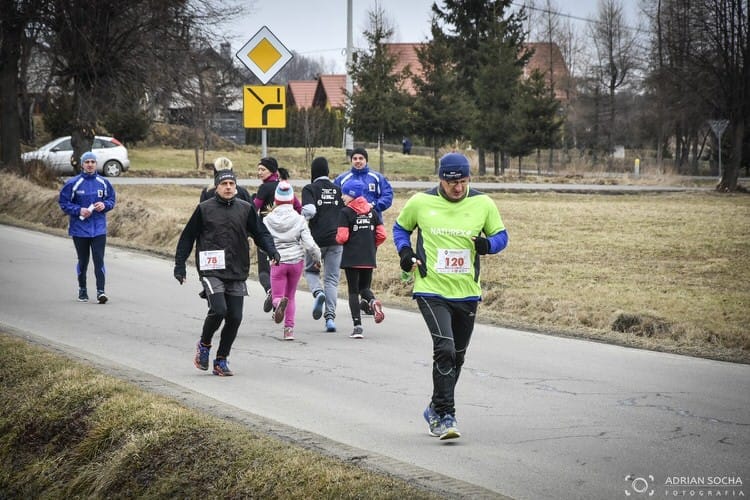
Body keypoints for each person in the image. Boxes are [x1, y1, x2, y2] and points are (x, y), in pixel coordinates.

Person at [392, 152, 508, 440]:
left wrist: (487, 245)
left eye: (463, 181)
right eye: (451, 182)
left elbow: (501, 236)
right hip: (431, 289)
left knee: (457, 356)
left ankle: (435, 406)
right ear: (441, 179)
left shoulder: (483, 203)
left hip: (467, 292)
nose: (457, 188)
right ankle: (445, 416)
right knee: (444, 348)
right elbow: (400, 228)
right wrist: (406, 253)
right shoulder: (421, 202)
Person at [174, 169, 280, 376]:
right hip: (211, 268)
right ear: (217, 187)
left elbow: (260, 233)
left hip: (237, 268)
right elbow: (187, 237)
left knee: (236, 317)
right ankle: (204, 345)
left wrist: (272, 250)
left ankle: (221, 360)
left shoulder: (245, 208)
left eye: (232, 184)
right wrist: (180, 265)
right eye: (224, 184)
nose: (229, 187)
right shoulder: (204, 209)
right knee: (220, 309)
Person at [333, 146, 393, 316]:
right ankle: (367, 299)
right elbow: (337, 199)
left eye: (361, 158)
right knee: (356, 264)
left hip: (371, 228)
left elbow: (388, 196)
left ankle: (365, 300)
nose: (358, 161)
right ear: (351, 160)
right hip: (350, 229)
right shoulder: (342, 179)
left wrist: (374, 206)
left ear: (366, 160)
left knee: (366, 263)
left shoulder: (376, 177)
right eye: (355, 158)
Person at [262, 181, 321, 340]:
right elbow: (310, 244)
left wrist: (268, 253)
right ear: (291, 200)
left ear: (276, 200)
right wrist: (317, 259)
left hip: (277, 261)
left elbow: (263, 241)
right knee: (291, 296)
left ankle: (278, 304)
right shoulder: (299, 219)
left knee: (277, 295)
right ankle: (289, 330)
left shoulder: (268, 220)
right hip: (296, 261)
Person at [58, 151, 116, 304]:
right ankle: (82, 290)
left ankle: (101, 292)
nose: (90, 164)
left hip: (98, 229)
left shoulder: (104, 182)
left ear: (96, 164)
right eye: (87, 162)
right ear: (82, 164)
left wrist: (104, 205)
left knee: (99, 260)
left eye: (92, 162)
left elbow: (111, 200)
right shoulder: (73, 183)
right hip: (80, 230)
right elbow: (64, 203)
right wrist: (78, 210)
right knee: (83, 261)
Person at [336, 179, 387, 338]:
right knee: (365, 288)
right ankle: (372, 302)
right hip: (368, 256)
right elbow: (382, 235)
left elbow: (342, 237)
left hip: (352, 257)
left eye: (344, 193)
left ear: (351, 195)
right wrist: (371, 245)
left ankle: (357, 326)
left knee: (353, 291)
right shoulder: (372, 212)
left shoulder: (346, 212)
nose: (342, 196)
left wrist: (337, 239)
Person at [253, 157, 301, 315]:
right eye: (258, 169)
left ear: (272, 171)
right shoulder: (285, 187)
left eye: (263, 169)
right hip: (286, 235)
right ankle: (277, 307)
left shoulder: (264, 188)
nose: (259, 172)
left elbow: (253, 209)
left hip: (265, 233)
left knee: (264, 272)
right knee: (281, 270)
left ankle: (271, 292)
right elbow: (298, 208)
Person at [301, 157, 343, 332]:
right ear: (327, 171)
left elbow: (310, 210)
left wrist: (301, 219)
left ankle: (318, 293)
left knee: (311, 271)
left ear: (313, 172)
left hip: (316, 240)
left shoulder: (309, 189)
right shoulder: (337, 190)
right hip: (336, 240)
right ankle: (330, 319)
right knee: (332, 279)